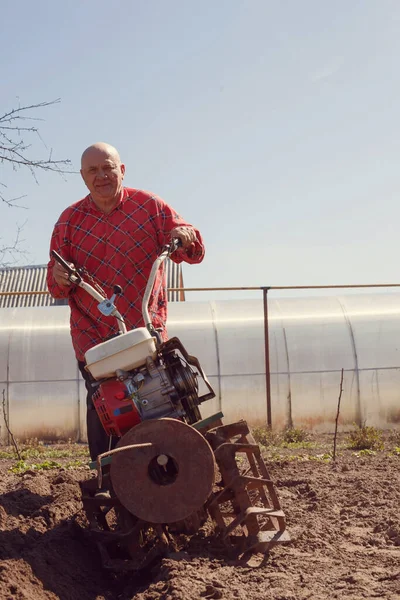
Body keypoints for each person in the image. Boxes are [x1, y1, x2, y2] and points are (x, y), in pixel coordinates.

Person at [47, 142, 205, 462]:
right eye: (93, 170)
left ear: (122, 170)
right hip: (93, 334)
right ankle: (109, 481)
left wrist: (186, 235)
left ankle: (184, 469)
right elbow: (55, 283)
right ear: (83, 177)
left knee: (167, 398)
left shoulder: (150, 207)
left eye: (108, 167)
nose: (101, 176)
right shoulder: (68, 222)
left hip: (143, 328)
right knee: (106, 408)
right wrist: (60, 277)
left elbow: (191, 248)